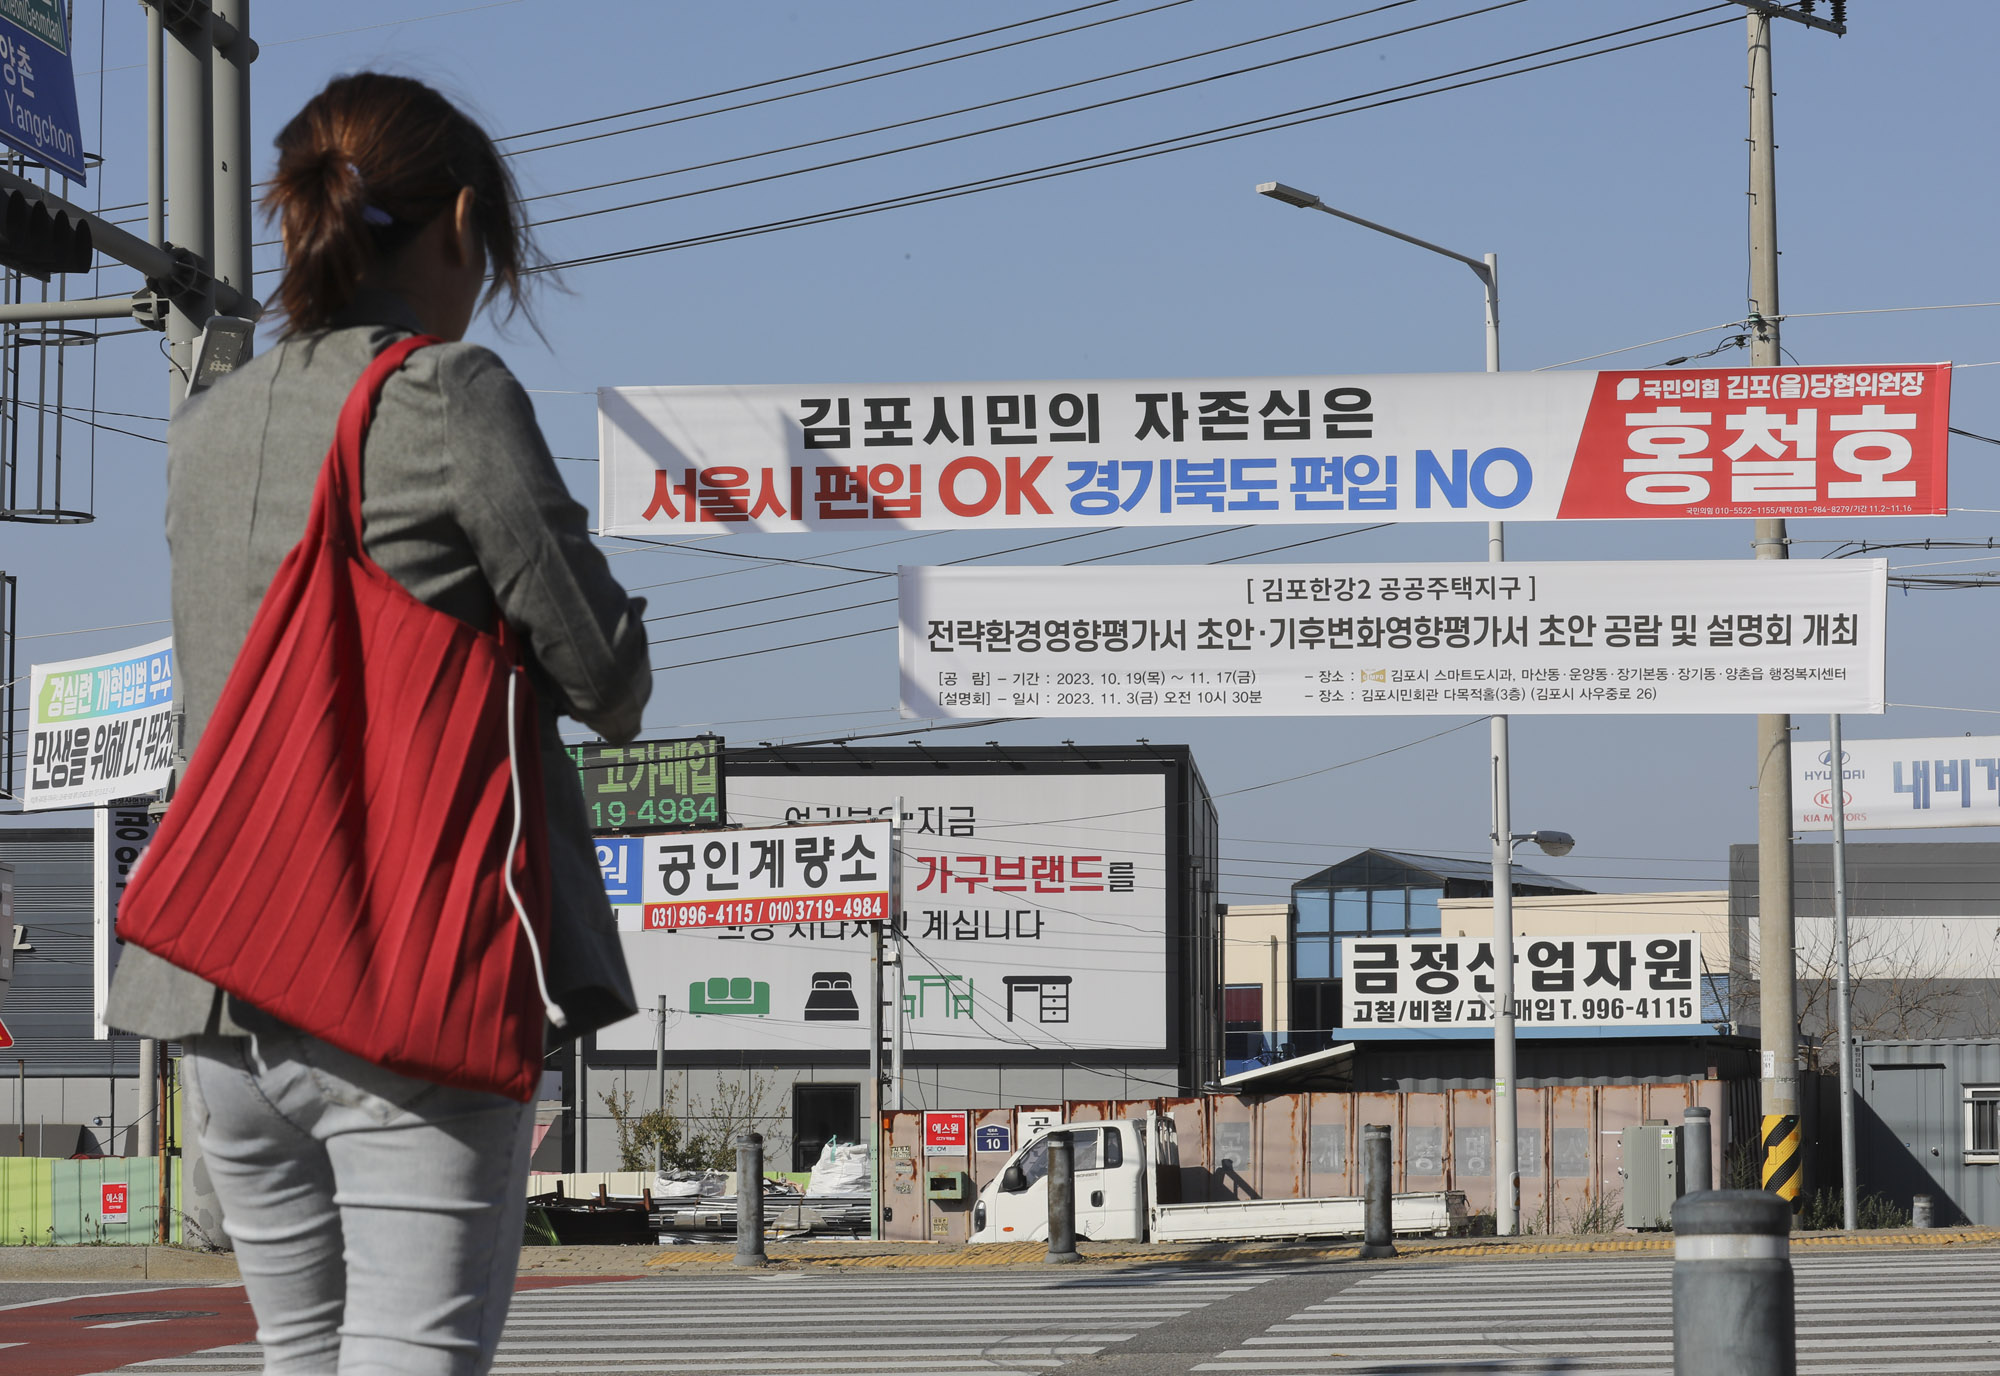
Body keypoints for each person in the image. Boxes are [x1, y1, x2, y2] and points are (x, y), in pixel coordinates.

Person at [105, 73, 649, 1375]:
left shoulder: (209, 424)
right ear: (460, 224)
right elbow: (606, 683)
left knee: (304, 1360)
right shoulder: (448, 395)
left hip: (216, 983)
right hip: (394, 972)